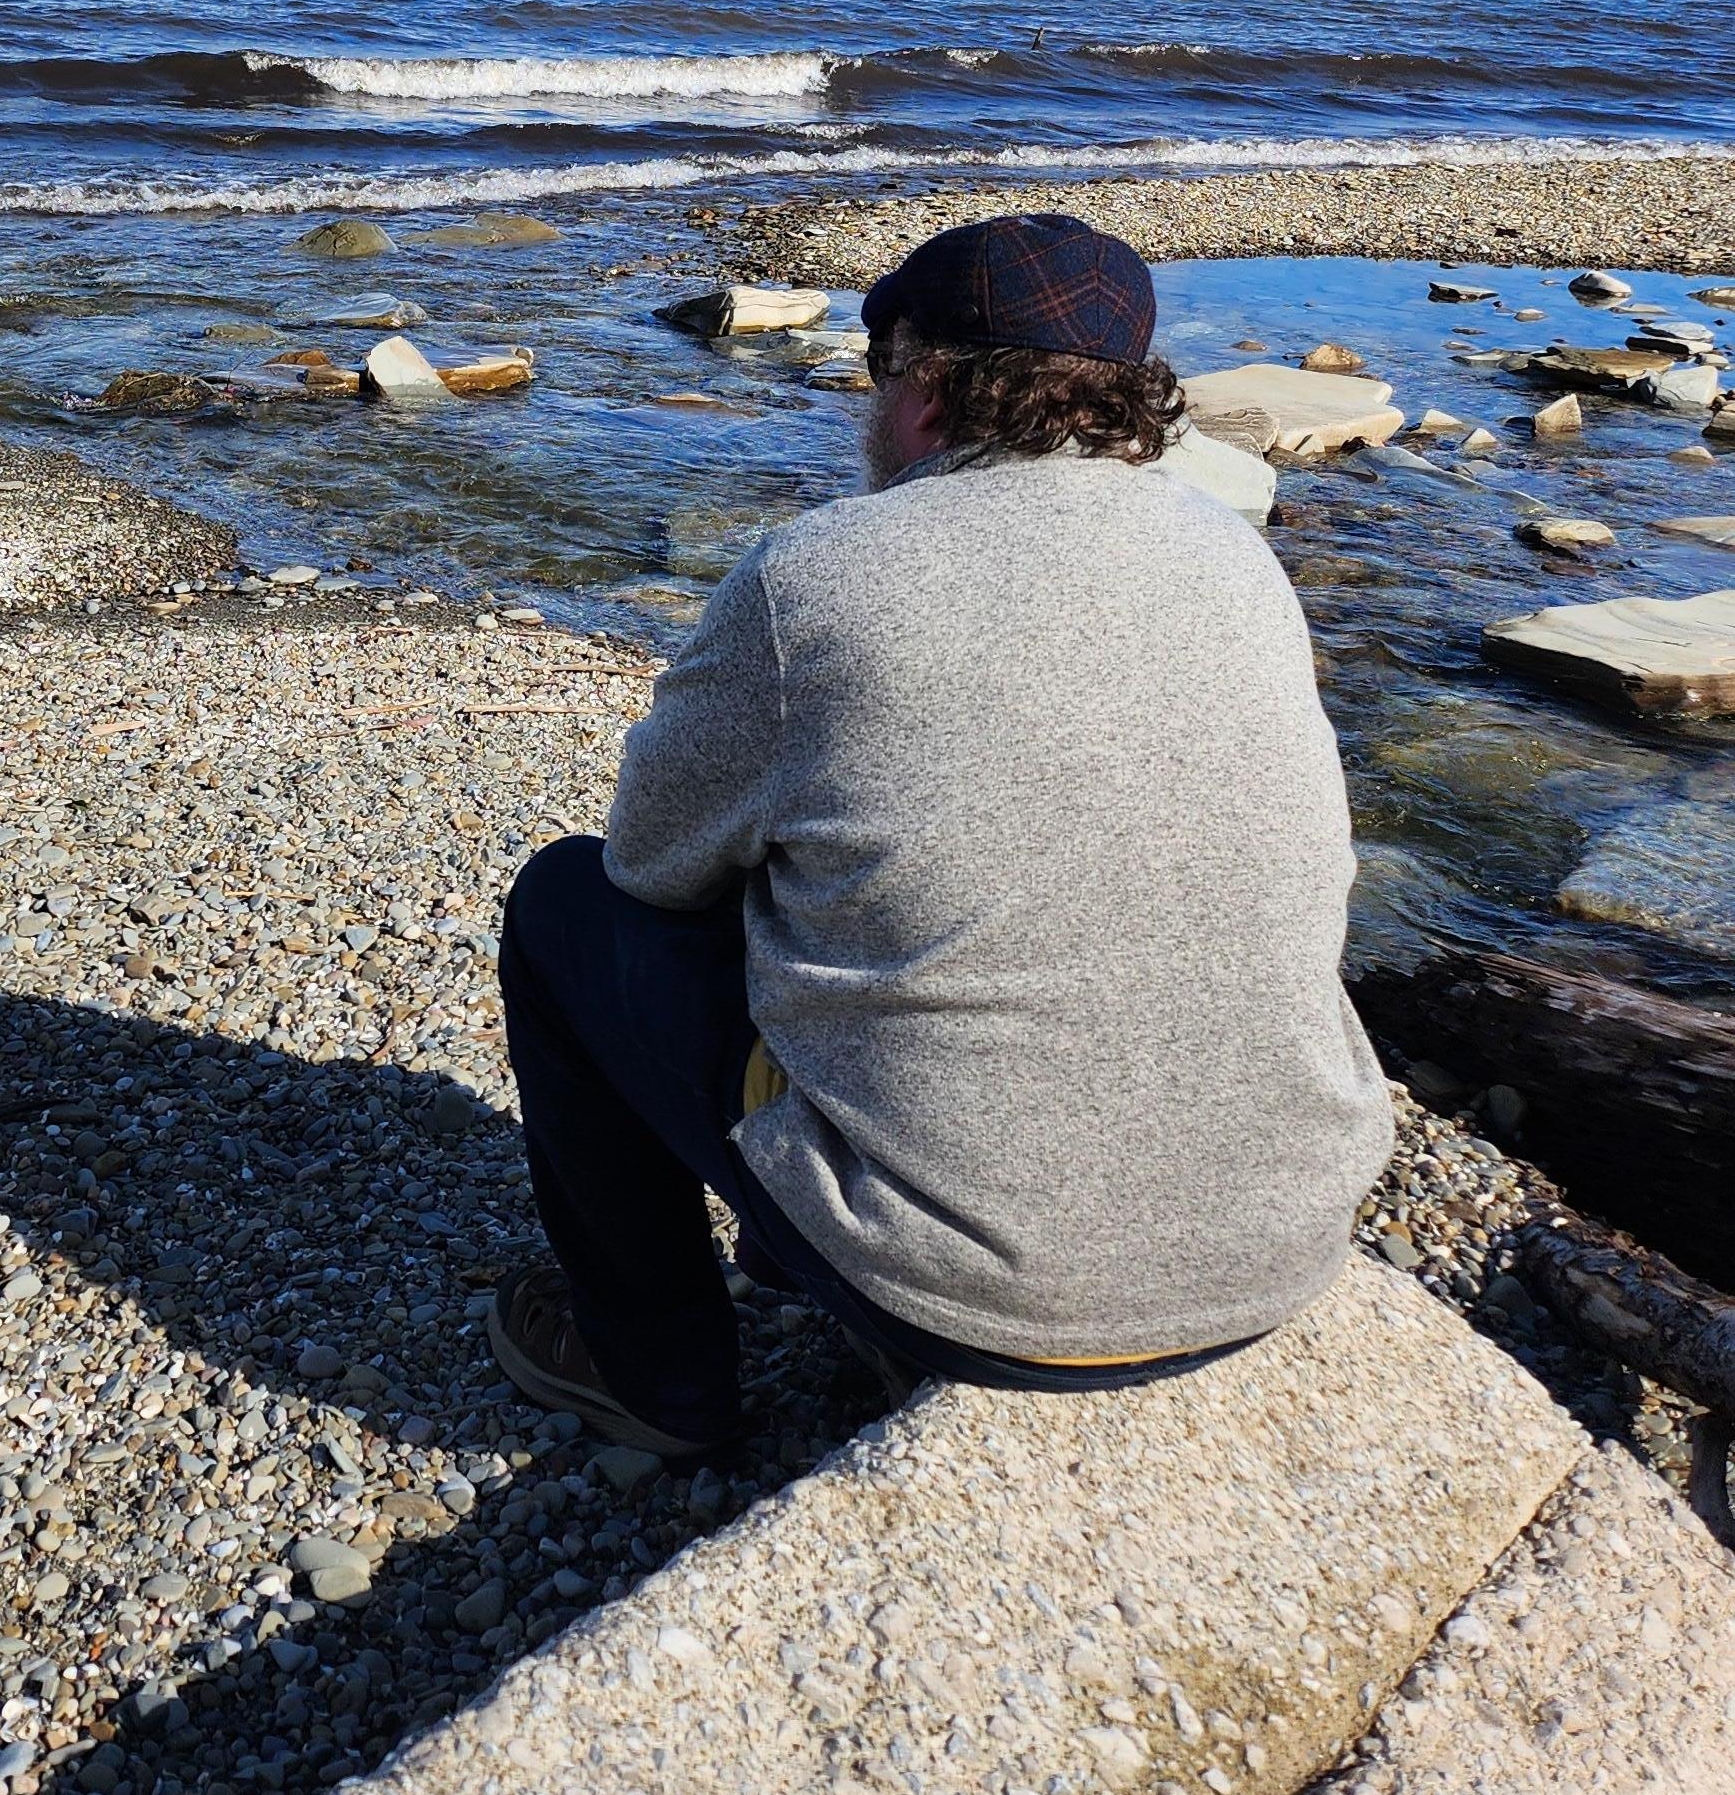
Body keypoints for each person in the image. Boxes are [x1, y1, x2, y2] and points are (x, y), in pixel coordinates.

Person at [489, 209, 1393, 1458]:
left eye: (878, 372)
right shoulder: (1234, 559)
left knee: (563, 910)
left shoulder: (817, 575)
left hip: (988, 1295)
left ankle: (654, 1378)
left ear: (923, 387)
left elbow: (650, 863)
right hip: (1283, 1240)